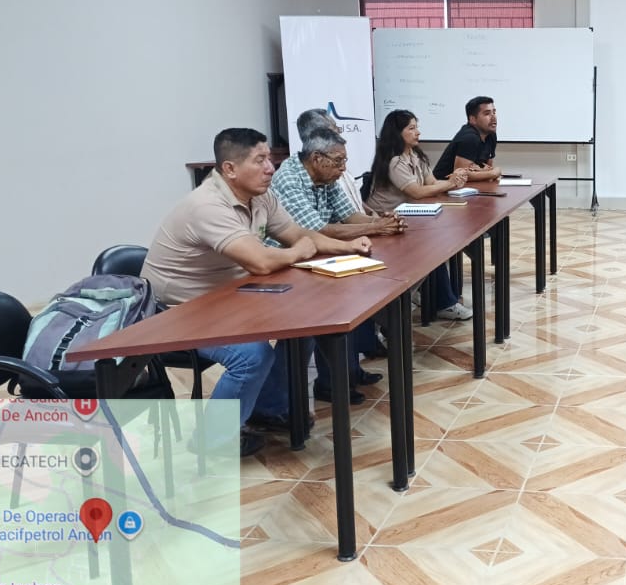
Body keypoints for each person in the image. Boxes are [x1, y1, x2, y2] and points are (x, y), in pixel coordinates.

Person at [142, 128, 372, 456]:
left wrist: (349, 246)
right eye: (260, 160)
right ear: (230, 169)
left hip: (227, 298)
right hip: (176, 311)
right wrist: (297, 252)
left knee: (303, 323)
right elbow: (261, 262)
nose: (270, 168)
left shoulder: (259, 196)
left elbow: (296, 232)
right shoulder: (207, 206)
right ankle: (212, 441)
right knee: (251, 355)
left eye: (270, 159)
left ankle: (269, 409)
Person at [268, 126, 404, 405]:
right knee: (321, 315)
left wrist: (382, 222)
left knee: (355, 294)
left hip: (316, 254)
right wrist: (376, 227)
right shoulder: (289, 178)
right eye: (339, 161)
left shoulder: (325, 175)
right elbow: (316, 229)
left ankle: (345, 375)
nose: (343, 168)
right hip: (287, 262)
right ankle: (327, 385)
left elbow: (348, 215)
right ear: (317, 158)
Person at [364, 109, 474, 320]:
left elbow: (431, 183)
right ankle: (439, 302)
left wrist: (454, 180)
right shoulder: (395, 161)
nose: (418, 133)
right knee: (431, 251)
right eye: (411, 128)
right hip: (385, 222)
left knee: (438, 248)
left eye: (417, 127)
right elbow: (416, 192)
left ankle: (440, 300)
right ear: (398, 133)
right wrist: (449, 183)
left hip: (411, 218)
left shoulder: (416, 156)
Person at [433, 96, 501, 182]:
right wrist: (493, 173)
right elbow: (461, 175)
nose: (493, 117)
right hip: (443, 186)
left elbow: (488, 168)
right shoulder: (469, 137)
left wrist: (485, 172)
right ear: (473, 119)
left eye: (494, 112)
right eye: (487, 114)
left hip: (470, 186)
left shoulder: (491, 135)